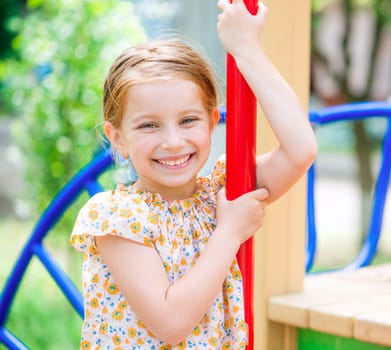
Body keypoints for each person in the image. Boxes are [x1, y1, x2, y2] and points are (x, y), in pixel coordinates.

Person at [70, 0, 317, 348]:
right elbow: (171, 323)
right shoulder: (117, 218)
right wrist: (229, 232)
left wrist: (247, 51)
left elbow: (300, 149)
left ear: (213, 122)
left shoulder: (222, 192)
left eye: (188, 120)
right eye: (149, 125)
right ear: (118, 139)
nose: (173, 141)